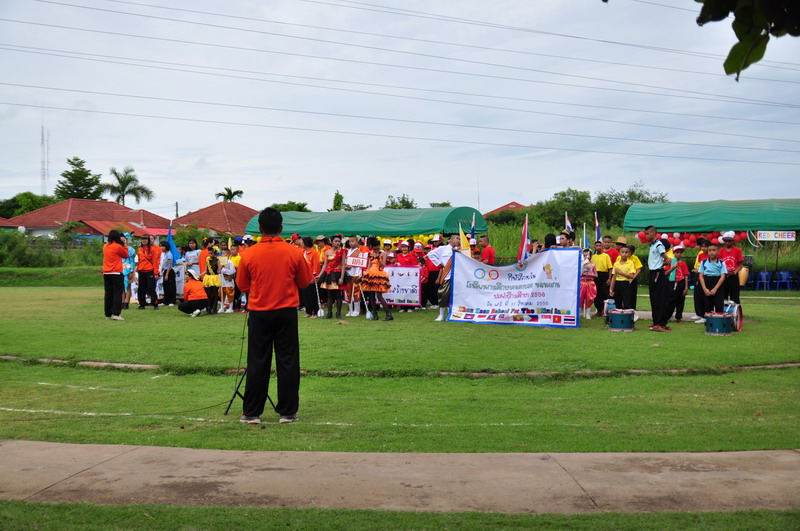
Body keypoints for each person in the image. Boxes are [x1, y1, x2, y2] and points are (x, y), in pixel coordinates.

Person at [237, 207, 313, 425]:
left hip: (259, 312)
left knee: (257, 361)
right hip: (286, 312)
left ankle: (252, 412)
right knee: (288, 361)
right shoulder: (294, 252)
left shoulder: (248, 254)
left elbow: (242, 285)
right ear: (281, 228)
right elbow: (304, 282)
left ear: (260, 229)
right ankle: (288, 412)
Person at [645, 226, 671, 332]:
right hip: (653, 272)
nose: (646, 236)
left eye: (647, 234)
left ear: (653, 233)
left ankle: (661, 323)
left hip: (658, 273)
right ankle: (656, 321)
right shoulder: (652, 245)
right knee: (654, 298)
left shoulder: (659, 244)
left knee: (660, 298)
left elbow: (667, 259)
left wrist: (663, 263)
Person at [361, 236, 393, 321]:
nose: (376, 250)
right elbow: (369, 265)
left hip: (379, 275)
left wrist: (378, 259)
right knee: (371, 296)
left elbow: (383, 266)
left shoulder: (383, 254)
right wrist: (366, 274)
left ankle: (388, 314)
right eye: (374, 249)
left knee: (379, 296)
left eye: (377, 248)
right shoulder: (370, 254)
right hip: (371, 275)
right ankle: (375, 314)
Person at [102, 229, 130, 321]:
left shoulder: (105, 246)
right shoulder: (118, 246)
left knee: (108, 293)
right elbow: (125, 255)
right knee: (117, 293)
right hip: (116, 272)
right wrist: (125, 244)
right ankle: (116, 313)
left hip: (106, 272)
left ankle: (108, 314)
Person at [318, 235, 347, 319]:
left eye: (339, 241)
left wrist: (342, 277)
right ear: (332, 242)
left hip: (338, 273)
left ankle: (338, 313)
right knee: (329, 294)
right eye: (336, 241)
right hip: (329, 274)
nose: (338, 243)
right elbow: (325, 265)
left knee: (338, 295)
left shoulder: (342, 252)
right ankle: (329, 313)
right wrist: (319, 275)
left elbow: (343, 265)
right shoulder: (327, 252)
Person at [431, 234, 459, 322]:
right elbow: (431, 254)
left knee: (454, 296)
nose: (458, 240)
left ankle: (452, 314)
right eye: (457, 238)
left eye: (459, 239)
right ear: (450, 240)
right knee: (443, 295)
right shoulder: (443, 249)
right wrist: (440, 264)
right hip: (447, 275)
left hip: (457, 276)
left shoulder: (461, 250)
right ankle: (441, 315)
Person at [698, 243, 727, 320]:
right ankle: (708, 321)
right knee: (707, 303)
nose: (711, 252)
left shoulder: (721, 263)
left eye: (714, 250)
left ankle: (719, 321)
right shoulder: (704, 262)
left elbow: (722, 276)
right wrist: (704, 289)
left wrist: (715, 288)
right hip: (707, 282)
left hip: (718, 283)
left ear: (718, 252)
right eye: (710, 250)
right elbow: (701, 276)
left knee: (719, 304)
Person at [665, 244, 689, 323]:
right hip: (672, 283)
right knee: (671, 300)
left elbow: (686, 275)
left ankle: (679, 317)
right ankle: (667, 316)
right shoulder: (670, 262)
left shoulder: (683, 264)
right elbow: (666, 273)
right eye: (677, 252)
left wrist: (686, 287)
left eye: (680, 253)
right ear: (674, 253)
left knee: (681, 300)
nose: (679, 254)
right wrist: (673, 267)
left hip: (681, 282)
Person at [344, 235, 367, 317]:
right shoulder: (348, 251)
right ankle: (350, 310)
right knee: (349, 292)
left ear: (357, 242)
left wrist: (358, 275)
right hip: (348, 274)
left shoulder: (359, 252)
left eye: (353, 241)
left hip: (355, 274)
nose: (351, 243)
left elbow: (359, 264)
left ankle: (356, 310)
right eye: (350, 241)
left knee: (356, 292)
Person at [136, 234, 161, 310]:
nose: (144, 240)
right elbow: (139, 260)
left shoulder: (153, 249)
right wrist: (137, 269)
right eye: (142, 239)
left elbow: (155, 261)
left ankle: (155, 303)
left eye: (145, 239)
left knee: (151, 287)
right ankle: (142, 304)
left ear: (148, 240)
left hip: (150, 270)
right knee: (141, 288)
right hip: (141, 270)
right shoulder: (139, 249)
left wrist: (156, 273)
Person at [718, 231, 743, 305]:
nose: (727, 243)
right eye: (725, 241)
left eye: (729, 241)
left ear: (732, 241)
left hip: (733, 276)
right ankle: (723, 310)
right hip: (723, 276)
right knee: (723, 296)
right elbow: (718, 264)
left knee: (735, 296)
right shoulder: (721, 251)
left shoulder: (737, 250)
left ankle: (736, 310)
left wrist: (735, 271)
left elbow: (740, 264)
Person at [609, 244, 636, 310]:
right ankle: (618, 315)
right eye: (623, 252)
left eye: (626, 252)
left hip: (625, 283)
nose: (624, 254)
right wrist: (611, 289)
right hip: (617, 284)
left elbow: (631, 276)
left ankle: (627, 315)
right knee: (618, 302)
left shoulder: (630, 263)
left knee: (627, 302)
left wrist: (621, 273)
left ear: (629, 254)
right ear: (619, 253)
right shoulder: (616, 264)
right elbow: (614, 277)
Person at [690, 238, 710, 321]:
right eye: (702, 246)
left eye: (705, 246)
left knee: (706, 297)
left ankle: (706, 315)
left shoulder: (711, 255)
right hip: (699, 276)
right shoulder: (701, 255)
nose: (703, 248)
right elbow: (700, 267)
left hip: (708, 277)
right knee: (698, 295)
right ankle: (700, 314)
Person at [591, 240, 612, 317]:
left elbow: (610, 268)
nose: (598, 247)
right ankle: (599, 310)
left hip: (604, 275)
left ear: (602, 246)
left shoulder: (606, 256)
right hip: (595, 276)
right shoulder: (593, 257)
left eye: (600, 246)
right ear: (594, 247)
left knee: (604, 293)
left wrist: (609, 278)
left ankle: (605, 310)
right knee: (596, 294)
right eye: (597, 246)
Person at [203, 245, 221, 314]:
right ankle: (209, 307)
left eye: (211, 253)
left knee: (215, 294)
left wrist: (221, 269)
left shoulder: (217, 260)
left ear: (215, 253)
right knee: (209, 294)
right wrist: (199, 275)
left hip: (214, 278)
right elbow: (205, 270)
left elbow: (219, 270)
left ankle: (214, 308)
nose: (210, 255)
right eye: (209, 253)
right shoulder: (207, 259)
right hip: (208, 278)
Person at [580, 248, 597, 320]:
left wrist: (589, 274)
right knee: (580, 297)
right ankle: (578, 313)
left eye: (587, 255)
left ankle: (588, 314)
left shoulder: (592, 265)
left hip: (590, 283)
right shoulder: (580, 264)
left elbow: (596, 275)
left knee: (589, 298)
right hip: (582, 282)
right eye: (584, 255)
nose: (586, 257)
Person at [120, 233, 135, 310]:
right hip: (120, 269)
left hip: (128, 268)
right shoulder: (117, 249)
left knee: (128, 286)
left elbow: (132, 261)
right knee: (121, 286)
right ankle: (122, 302)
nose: (122, 242)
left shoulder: (131, 249)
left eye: (124, 240)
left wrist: (131, 271)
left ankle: (126, 302)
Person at [158, 241, 176, 306]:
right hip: (165, 271)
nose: (161, 248)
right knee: (165, 287)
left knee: (171, 287)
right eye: (160, 246)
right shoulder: (164, 255)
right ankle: (165, 301)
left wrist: (167, 275)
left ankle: (172, 301)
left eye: (163, 246)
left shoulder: (169, 254)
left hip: (169, 272)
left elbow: (169, 265)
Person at [220, 248, 236, 313]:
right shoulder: (220, 262)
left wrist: (223, 270)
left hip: (228, 281)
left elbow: (232, 271)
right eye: (222, 253)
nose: (223, 255)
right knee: (221, 293)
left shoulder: (229, 262)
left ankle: (230, 308)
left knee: (229, 293)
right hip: (222, 281)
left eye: (224, 253)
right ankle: (221, 307)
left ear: (228, 254)